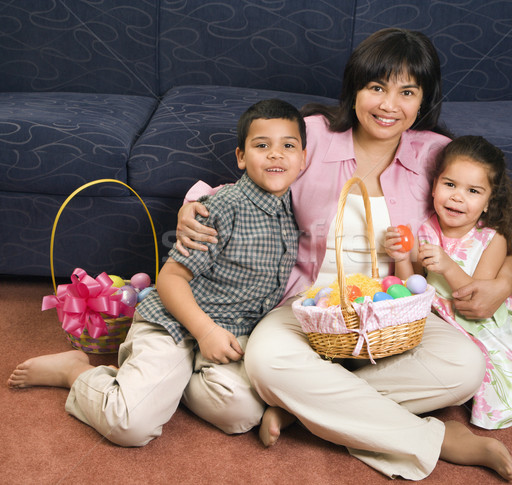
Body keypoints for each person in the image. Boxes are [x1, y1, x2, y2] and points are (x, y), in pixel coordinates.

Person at [175, 29, 512, 480]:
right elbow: (246, 185)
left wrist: (502, 282)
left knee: (465, 367)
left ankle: (301, 410)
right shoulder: (315, 135)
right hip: (305, 306)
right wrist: (194, 205)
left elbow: (504, 225)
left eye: (407, 92)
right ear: (355, 89)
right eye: (376, 87)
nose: (388, 105)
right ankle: (433, 440)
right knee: (267, 362)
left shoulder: (435, 154)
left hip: (392, 312)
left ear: (423, 101)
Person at [7, 99, 307, 446]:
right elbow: (171, 278)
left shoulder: (292, 213)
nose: (275, 154)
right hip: (175, 324)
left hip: (228, 337)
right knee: (130, 425)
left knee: (242, 413)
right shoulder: (221, 208)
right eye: (261, 145)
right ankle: (76, 371)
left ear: (303, 159)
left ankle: (155, 383)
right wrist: (205, 331)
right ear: (241, 157)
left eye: (288, 145)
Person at [386, 135, 512, 430]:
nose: (457, 196)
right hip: (444, 324)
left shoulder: (491, 238)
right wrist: (402, 257)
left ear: (487, 202)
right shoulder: (425, 228)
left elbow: (475, 295)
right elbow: (413, 286)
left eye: (473, 191)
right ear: (434, 186)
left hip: (483, 324)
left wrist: (446, 264)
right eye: (449, 184)